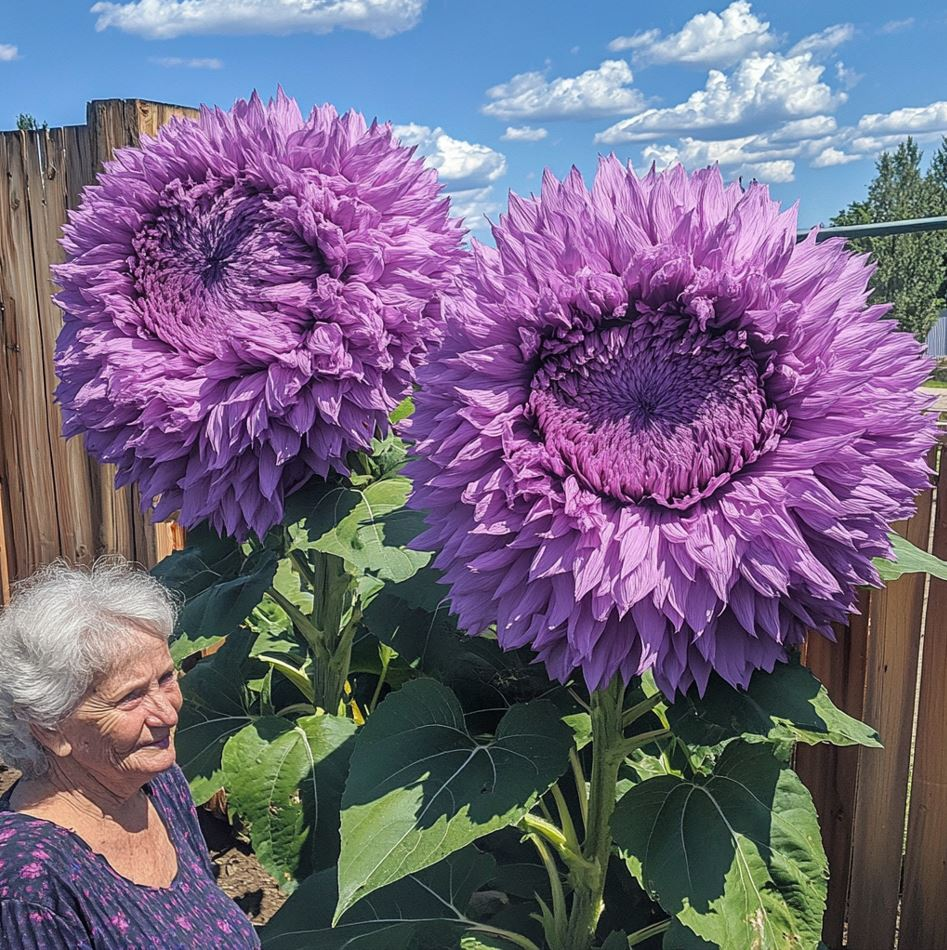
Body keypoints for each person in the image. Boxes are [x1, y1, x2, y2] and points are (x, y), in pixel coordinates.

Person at [0, 559, 260, 948]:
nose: (168, 713)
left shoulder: (157, 784)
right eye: (131, 696)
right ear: (50, 729)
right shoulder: (29, 881)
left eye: (167, 678)